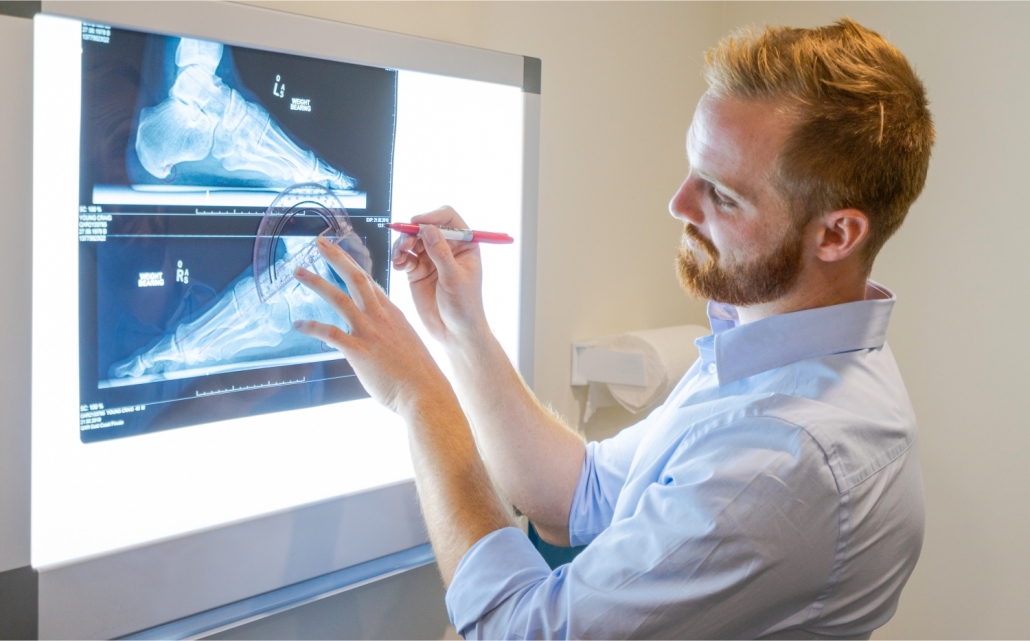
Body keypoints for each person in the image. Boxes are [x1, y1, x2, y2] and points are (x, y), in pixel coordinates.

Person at [291, 18, 935, 639]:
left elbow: (522, 633)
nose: (679, 205)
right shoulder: (770, 357)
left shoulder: (786, 460)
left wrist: (418, 397)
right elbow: (579, 496)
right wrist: (463, 332)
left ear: (836, 234)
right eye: (692, 169)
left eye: (723, 194)